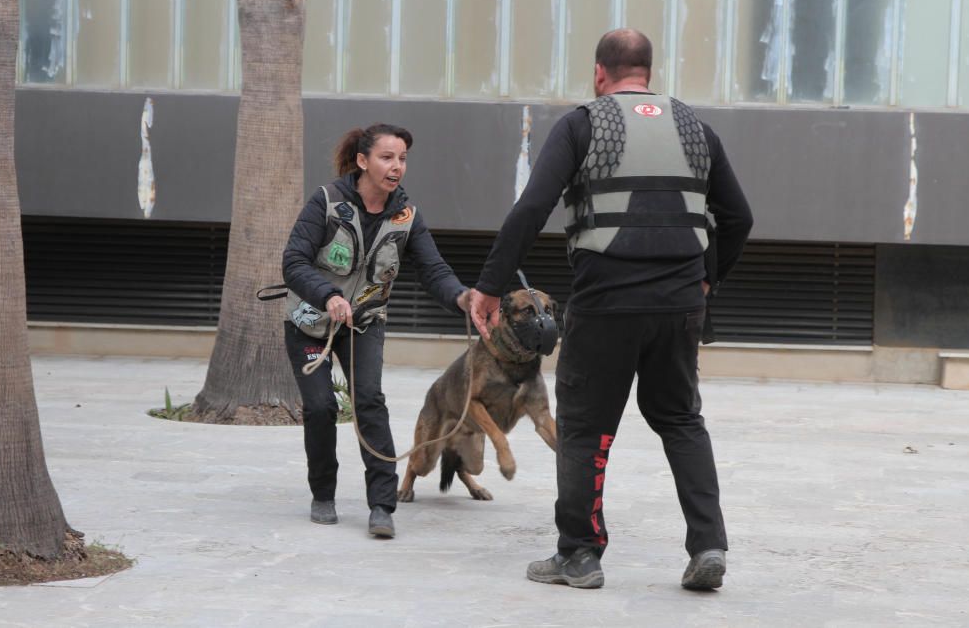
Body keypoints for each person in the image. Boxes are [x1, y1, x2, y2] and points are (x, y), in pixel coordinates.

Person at [470, 29, 753, 589]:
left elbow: (532, 207)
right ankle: (708, 545)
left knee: (584, 429)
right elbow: (738, 217)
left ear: (600, 74)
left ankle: (580, 553)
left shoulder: (583, 123)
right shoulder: (696, 128)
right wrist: (705, 281)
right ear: (648, 71)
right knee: (680, 418)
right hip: (679, 306)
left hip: (606, 305)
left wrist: (490, 285)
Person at [283, 123, 469, 539]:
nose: (397, 166)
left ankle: (382, 506)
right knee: (321, 408)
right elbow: (293, 262)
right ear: (363, 161)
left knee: (370, 402)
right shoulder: (327, 202)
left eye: (403, 158)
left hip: (364, 322)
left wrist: (462, 298)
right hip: (309, 323)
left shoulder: (406, 217)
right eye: (387, 157)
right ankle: (323, 495)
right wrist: (327, 295)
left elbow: (434, 271)